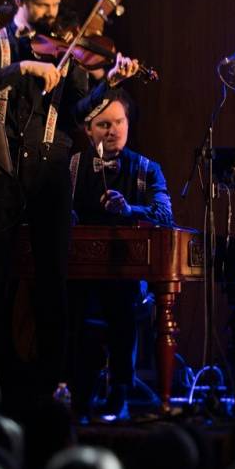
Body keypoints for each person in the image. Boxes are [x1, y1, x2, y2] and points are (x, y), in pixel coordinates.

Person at [0, 0, 139, 405]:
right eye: (44, 5)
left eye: (56, 5)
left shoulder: (66, 47)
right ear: (20, 0)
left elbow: (78, 112)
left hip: (50, 170)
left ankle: (50, 383)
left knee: (53, 280)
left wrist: (107, 86)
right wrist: (21, 69)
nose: (53, 15)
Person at [68, 87, 174, 421]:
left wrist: (130, 209)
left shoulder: (146, 169)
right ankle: (74, 392)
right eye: (103, 125)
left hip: (126, 273)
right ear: (88, 130)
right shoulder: (71, 168)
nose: (113, 131)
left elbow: (165, 216)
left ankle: (119, 392)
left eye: (119, 122)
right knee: (70, 307)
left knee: (121, 303)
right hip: (79, 272)